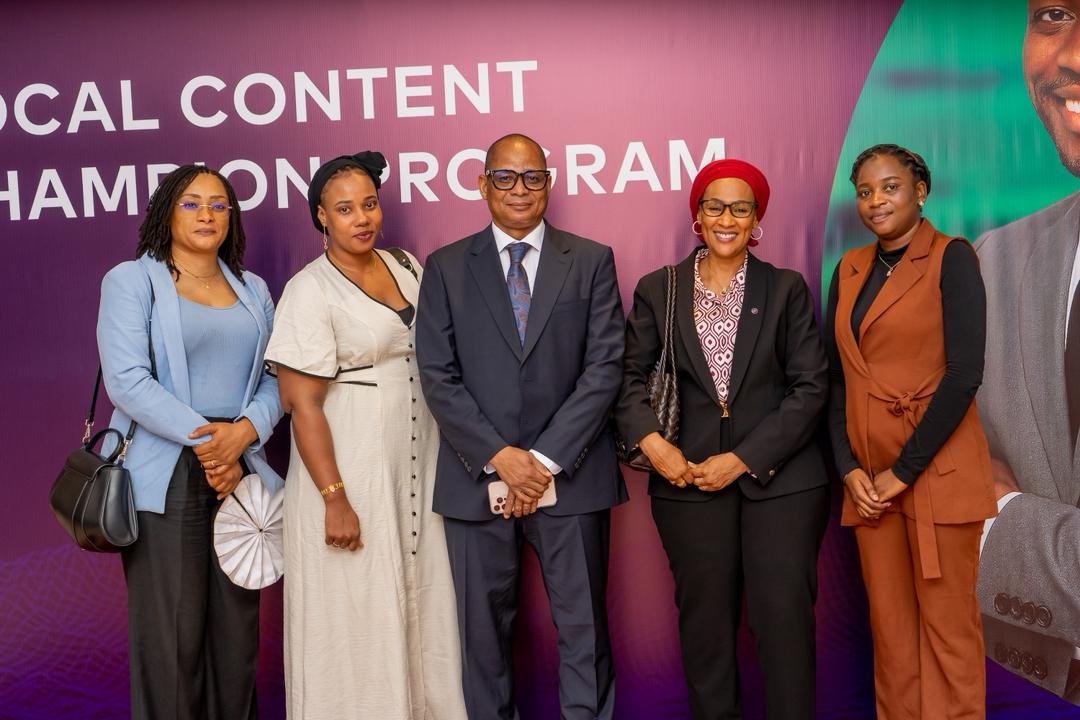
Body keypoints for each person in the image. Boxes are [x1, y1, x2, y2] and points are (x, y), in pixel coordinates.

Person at [415, 133, 626, 719]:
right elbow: (437, 375)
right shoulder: (447, 267)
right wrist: (500, 457)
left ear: (548, 184)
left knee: (584, 631)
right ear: (483, 185)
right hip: (478, 478)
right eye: (505, 177)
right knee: (481, 640)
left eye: (532, 176)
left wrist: (543, 460)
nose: (519, 189)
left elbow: (604, 368)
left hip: (572, 477)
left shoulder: (590, 260)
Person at [615, 158, 829, 719]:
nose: (726, 219)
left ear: (757, 219)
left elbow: (811, 387)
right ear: (698, 215)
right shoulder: (659, 288)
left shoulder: (784, 288)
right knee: (706, 629)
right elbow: (627, 378)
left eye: (740, 208)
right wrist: (655, 445)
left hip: (782, 483)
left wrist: (743, 458)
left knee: (783, 623)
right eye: (715, 206)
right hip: (686, 481)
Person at [265, 152, 466, 720]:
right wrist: (335, 499)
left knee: (423, 600)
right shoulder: (309, 289)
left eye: (370, 204)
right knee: (357, 609)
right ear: (321, 217)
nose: (362, 218)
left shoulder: (406, 264)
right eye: (345, 209)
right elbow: (300, 403)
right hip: (350, 469)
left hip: (417, 464)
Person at [96, 164, 283, 720]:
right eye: (191, 203)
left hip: (238, 471)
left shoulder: (253, 289)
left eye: (219, 204)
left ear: (232, 217)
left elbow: (279, 376)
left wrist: (241, 435)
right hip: (166, 472)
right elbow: (127, 380)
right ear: (166, 213)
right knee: (172, 640)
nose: (207, 214)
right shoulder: (131, 281)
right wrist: (209, 444)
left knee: (236, 638)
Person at [826, 144, 997, 719]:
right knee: (892, 635)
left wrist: (903, 472)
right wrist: (849, 469)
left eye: (890, 187)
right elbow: (837, 377)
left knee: (949, 633)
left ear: (920, 191)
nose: (876, 201)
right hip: (869, 486)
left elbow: (965, 374)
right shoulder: (849, 268)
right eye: (865, 191)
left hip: (935, 475)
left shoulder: (952, 257)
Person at [972, 1, 1080, 702]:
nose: (1071, 53)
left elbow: (979, 496)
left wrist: (997, 522)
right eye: (1053, 14)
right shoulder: (997, 259)